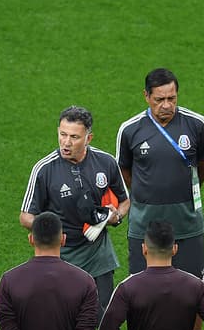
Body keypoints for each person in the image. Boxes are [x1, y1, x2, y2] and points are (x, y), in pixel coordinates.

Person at [116, 69, 204, 330]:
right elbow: (125, 174)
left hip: (187, 223)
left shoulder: (197, 125)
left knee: (195, 290)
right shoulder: (130, 130)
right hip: (144, 225)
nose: (167, 105)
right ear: (147, 97)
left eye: (172, 98)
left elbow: (202, 169)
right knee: (139, 293)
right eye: (159, 100)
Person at [20, 107, 129, 312]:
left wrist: (117, 216)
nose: (66, 142)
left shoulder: (106, 162)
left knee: (100, 316)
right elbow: (26, 217)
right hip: (62, 254)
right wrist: (51, 229)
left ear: (88, 138)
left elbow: (124, 201)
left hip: (98, 253)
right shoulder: (44, 169)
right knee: (64, 316)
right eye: (62, 135)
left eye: (74, 137)